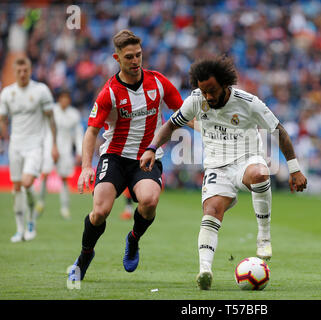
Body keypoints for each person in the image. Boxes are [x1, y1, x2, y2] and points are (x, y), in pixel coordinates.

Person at [141, 56, 308, 290]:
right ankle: (205, 271)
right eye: (203, 91)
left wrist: (294, 169)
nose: (208, 96)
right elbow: (170, 125)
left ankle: (264, 237)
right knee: (210, 213)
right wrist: (151, 148)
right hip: (217, 167)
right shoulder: (197, 100)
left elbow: (278, 130)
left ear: (225, 84)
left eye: (212, 90)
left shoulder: (249, 102)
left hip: (246, 160)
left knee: (261, 173)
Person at [67, 30, 184, 282]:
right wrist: (87, 166)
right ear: (117, 58)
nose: (135, 61)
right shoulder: (109, 92)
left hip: (147, 157)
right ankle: (85, 255)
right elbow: (92, 130)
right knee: (99, 212)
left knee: (150, 201)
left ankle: (133, 239)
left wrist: (207, 130)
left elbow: (183, 112)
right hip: (115, 157)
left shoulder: (158, 82)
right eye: (129, 56)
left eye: (138, 55)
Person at [0, 56, 59, 242]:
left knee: (26, 183)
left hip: (35, 145)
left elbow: (51, 118)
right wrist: (6, 138)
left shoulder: (41, 91)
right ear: (15, 72)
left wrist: (54, 144)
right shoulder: (7, 93)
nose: (22, 74)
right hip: (15, 145)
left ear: (30, 70)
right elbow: (2, 119)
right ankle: (20, 230)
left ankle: (31, 220)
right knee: (17, 188)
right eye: (19, 71)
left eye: (25, 70)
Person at [36, 90, 83, 219]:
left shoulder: (74, 114)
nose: (65, 101)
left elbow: (78, 134)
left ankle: (65, 208)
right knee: (45, 174)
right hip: (49, 146)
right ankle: (40, 203)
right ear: (59, 99)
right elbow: (44, 129)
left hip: (66, 149)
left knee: (64, 178)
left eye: (67, 98)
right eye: (62, 98)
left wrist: (79, 151)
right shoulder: (52, 111)